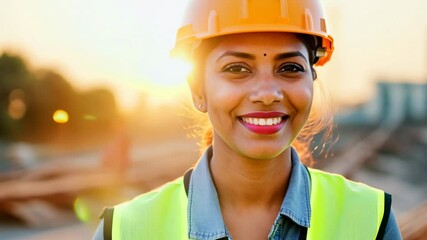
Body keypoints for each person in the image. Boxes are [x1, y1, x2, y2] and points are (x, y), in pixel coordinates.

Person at [93, 0, 402, 239]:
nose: (267, 94)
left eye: (290, 68)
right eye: (237, 68)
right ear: (199, 91)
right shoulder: (124, 231)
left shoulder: (372, 221)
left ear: (312, 79)